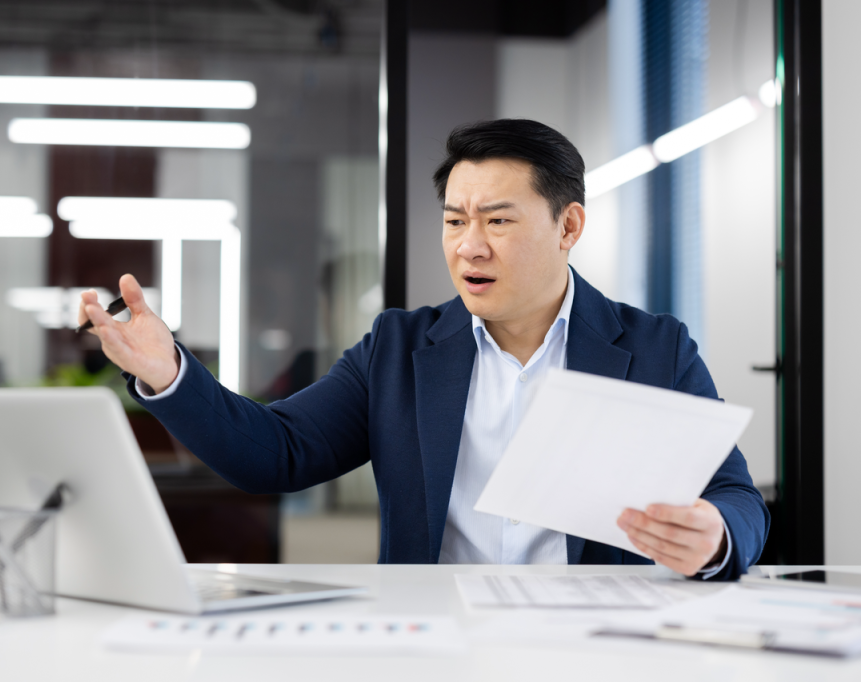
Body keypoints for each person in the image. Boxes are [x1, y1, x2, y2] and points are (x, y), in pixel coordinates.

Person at [79, 119, 769, 580]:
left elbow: (735, 496)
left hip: (592, 641)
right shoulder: (398, 350)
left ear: (568, 227)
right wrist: (170, 372)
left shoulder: (654, 350)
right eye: (455, 221)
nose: (470, 246)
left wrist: (715, 535)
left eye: (498, 221)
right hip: (439, 638)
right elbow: (276, 453)